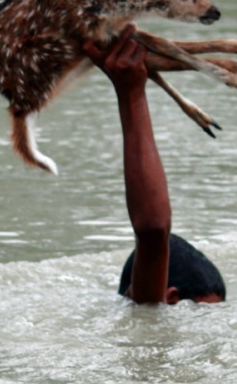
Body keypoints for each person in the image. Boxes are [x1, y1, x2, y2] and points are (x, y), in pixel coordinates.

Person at [83, 24, 226, 305]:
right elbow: (153, 230)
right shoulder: (150, 310)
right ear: (170, 297)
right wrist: (131, 93)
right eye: (203, 313)